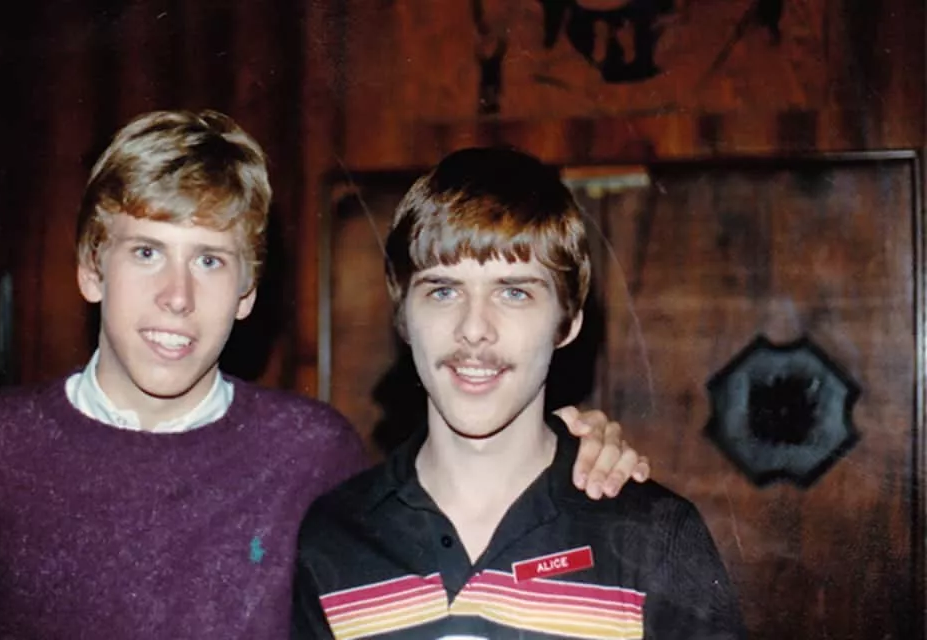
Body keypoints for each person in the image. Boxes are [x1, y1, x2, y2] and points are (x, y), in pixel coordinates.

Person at [0, 112, 649, 639]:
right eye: (146, 251)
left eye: (210, 260)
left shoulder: (311, 453)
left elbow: (444, 529)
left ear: (247, 291)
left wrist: (571, 445)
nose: (176, 295)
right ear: (92, 268)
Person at [291, 147, 746, 639]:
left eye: (514, 292)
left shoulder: (656, 537)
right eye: (443, 290)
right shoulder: (334, 535)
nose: (474, 328)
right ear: (403, 315)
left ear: (567, 322)